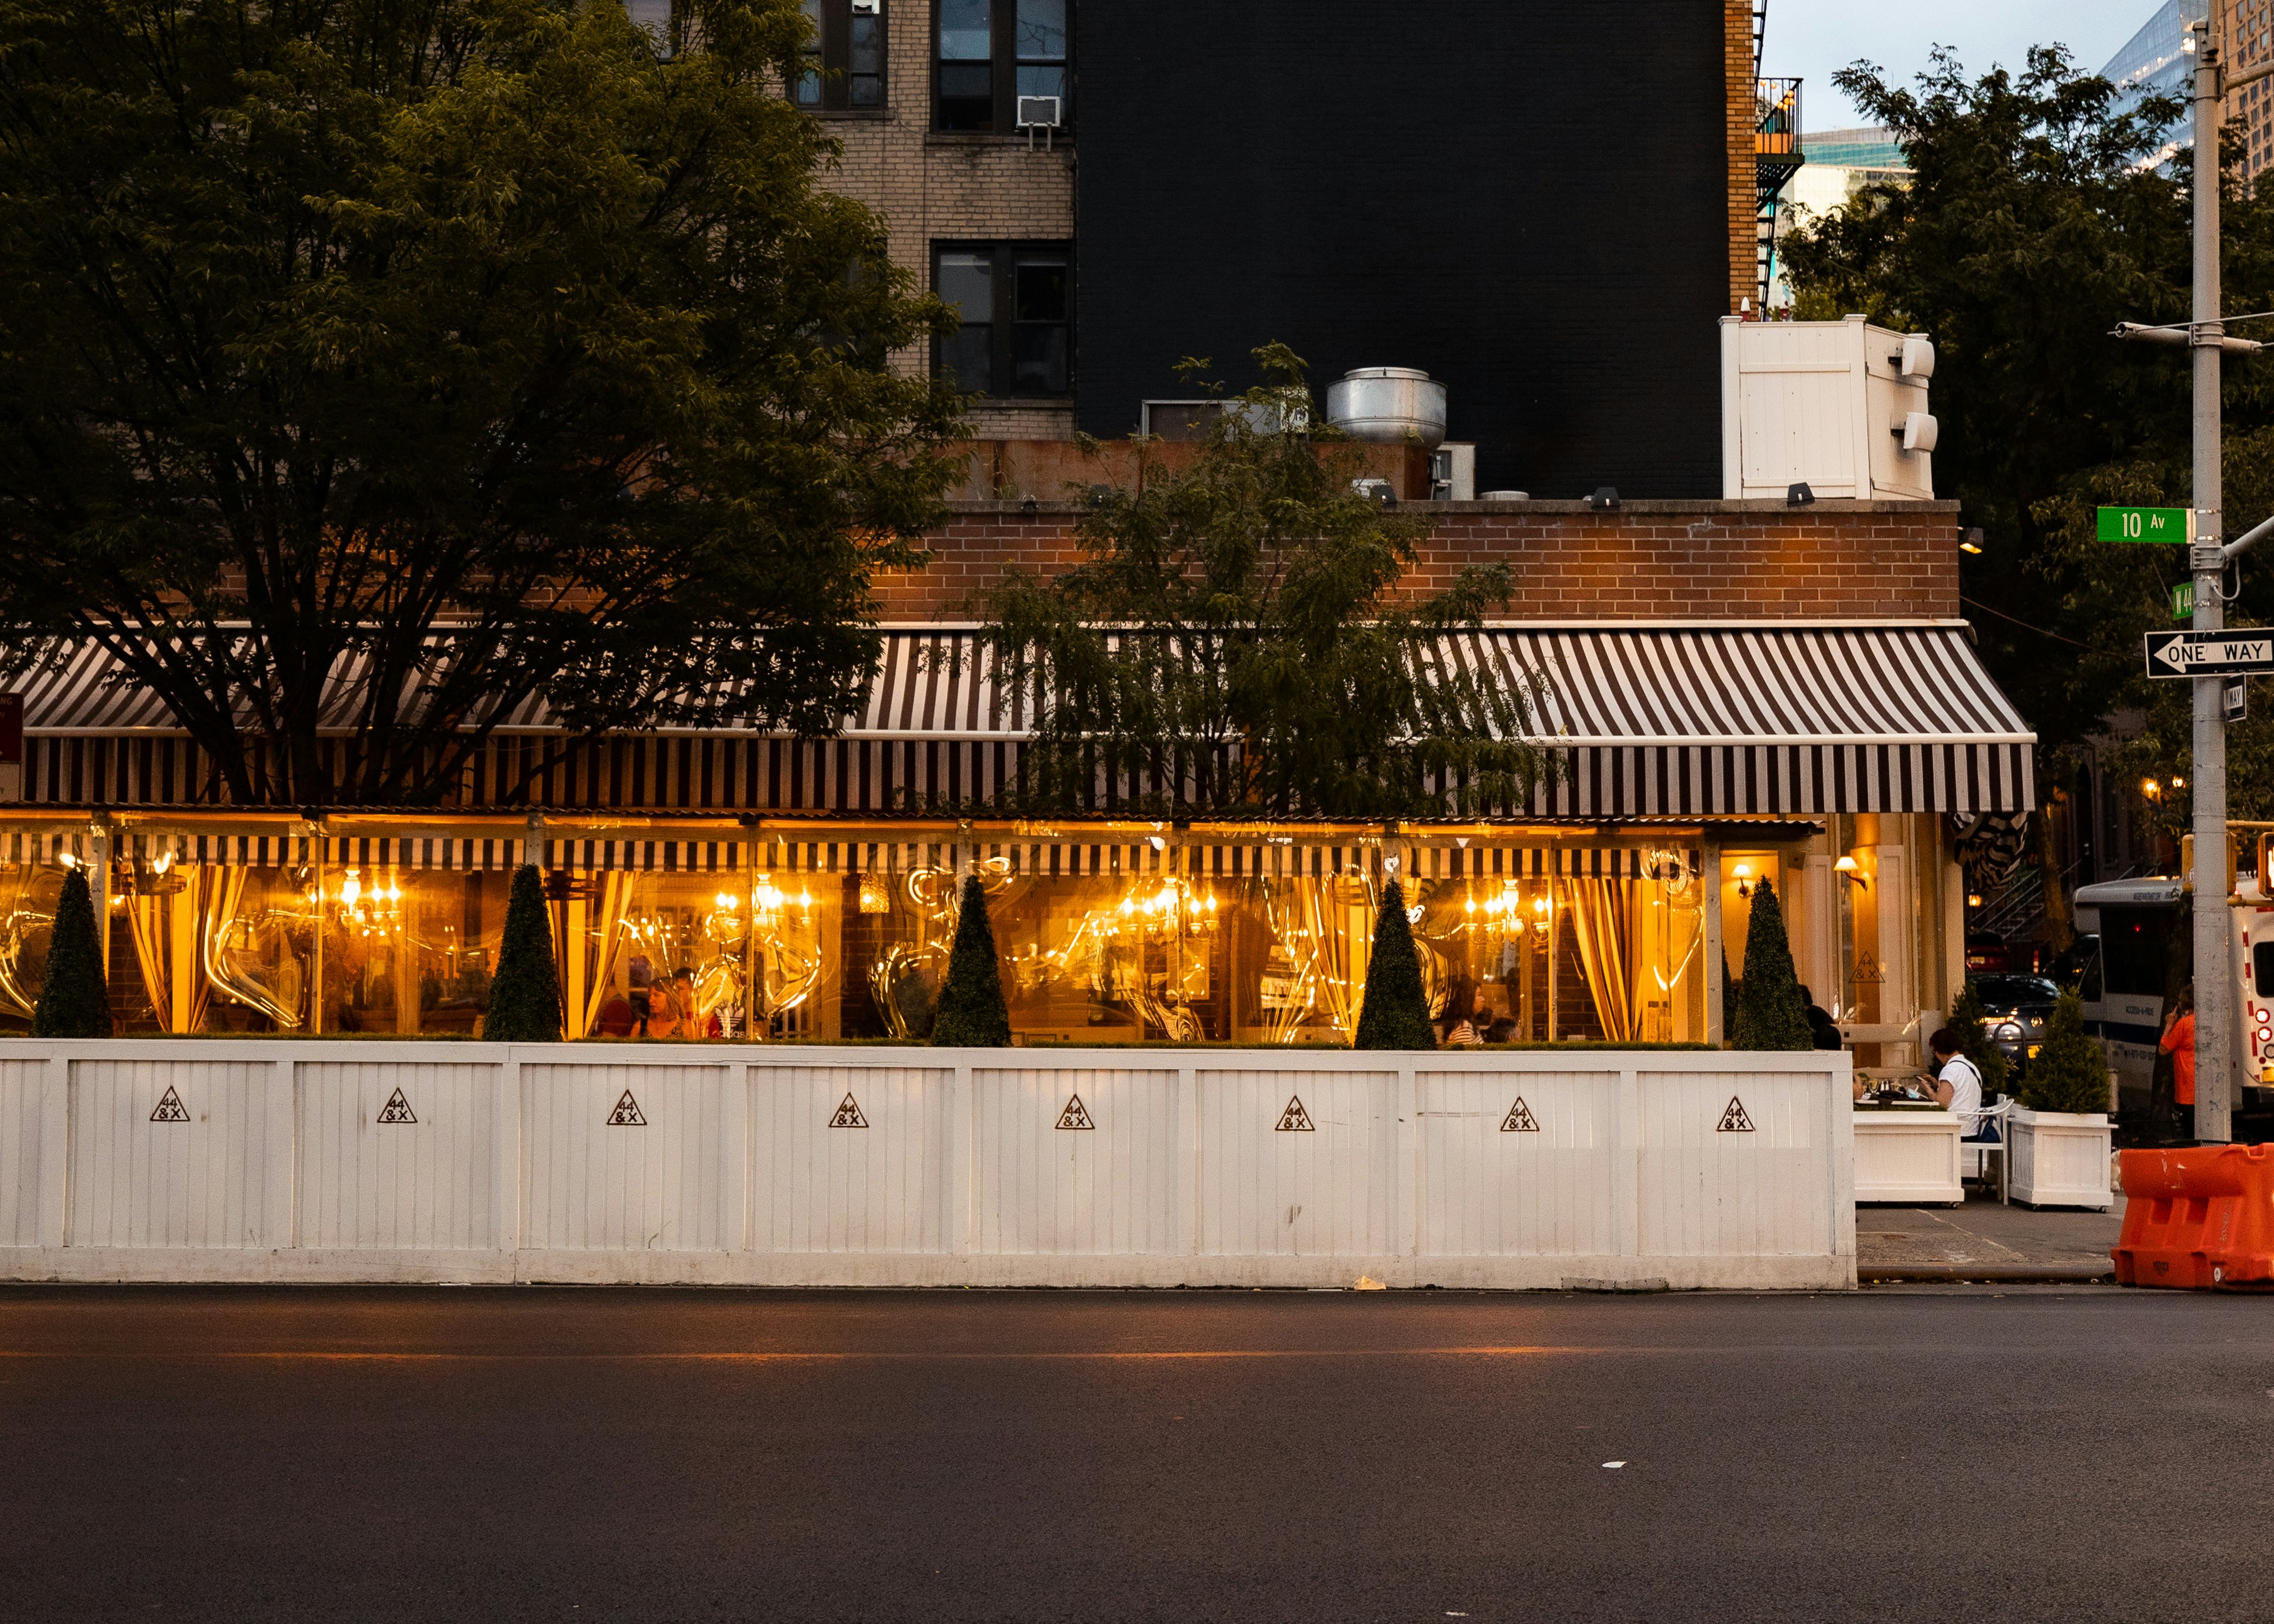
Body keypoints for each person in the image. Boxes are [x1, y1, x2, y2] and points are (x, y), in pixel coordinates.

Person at [1920, 1027, 1989, 1140]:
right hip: (1972, 1128)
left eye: (1935, 1051)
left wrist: (1928, 1089)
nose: (1936, 1055)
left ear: (1941, 1050)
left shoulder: (1950, 1070)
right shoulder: (1970, 1067)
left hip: (1956, 1130)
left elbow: (1942, 1104)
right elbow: (1960, 1092)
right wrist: (1937, 1083)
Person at [2160, 987, 2197, 1142]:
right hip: (2202, 1085)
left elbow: (2163, 1049)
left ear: (2184, 1003)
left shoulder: (2184, 1024)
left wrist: (2169, 1025)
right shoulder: (2206, 1021)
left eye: (2180, 1000)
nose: (2178, 1003)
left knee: (2189, 1132)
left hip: (2187, 1085)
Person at [1439, 978, 1484, 1048]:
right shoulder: (1464, 1028)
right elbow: (1464, 1057)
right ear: (1468, 999)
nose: (1483, 999)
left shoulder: (1466, 1024)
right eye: (1479, 995)